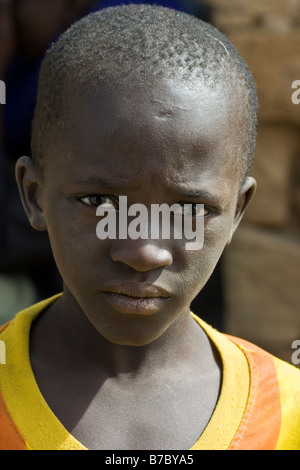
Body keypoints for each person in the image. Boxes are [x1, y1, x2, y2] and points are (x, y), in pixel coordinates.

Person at [0, 4, 299, 450]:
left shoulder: (289, 414)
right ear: (34, 195)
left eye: (189, 209)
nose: (143, 250)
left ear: (237, 211)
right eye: (98, 202)